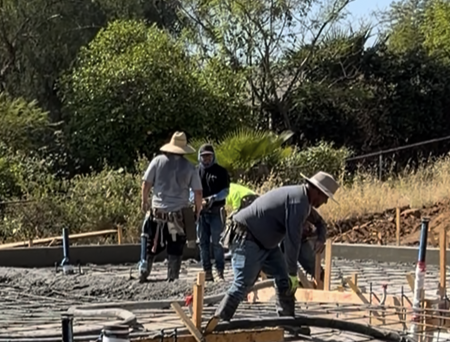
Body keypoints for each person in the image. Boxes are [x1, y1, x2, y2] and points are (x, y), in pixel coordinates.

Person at [214, 173, 337, 325]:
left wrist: (321, 237)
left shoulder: (302, 199)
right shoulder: (298, 201)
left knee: (283, 279)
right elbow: (292, 241)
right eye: (325, 197)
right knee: (243, 284)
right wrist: (293, 272)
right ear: (317, 191)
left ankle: (287, 321)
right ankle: (219, 322)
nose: (325, 202)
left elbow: (320, 223)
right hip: (247, 238)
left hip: (265, 244)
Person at [139, 131, 201, 283]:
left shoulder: (157, 161)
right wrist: (197, 211)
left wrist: (144, 201)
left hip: (157, 213)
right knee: (175, 245)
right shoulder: (189, 167)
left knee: (151, 242)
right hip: (177, 216)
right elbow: (198, 192)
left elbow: (146, 184)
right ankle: (172, 276)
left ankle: (144, 270)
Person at [195, 142, 231, 280]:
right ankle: (207, 272)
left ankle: (219, 271)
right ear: (200, 157)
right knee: (203, 243)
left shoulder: (221, 171)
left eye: (209, 156)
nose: (206, 159)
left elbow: (226, 191)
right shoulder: (196, 172)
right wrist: (197, 201)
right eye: (204, 156)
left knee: (217, 243)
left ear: (213, 156)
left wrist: (213, 198)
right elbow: (190, 192)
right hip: (201, 213)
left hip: (216, 211)